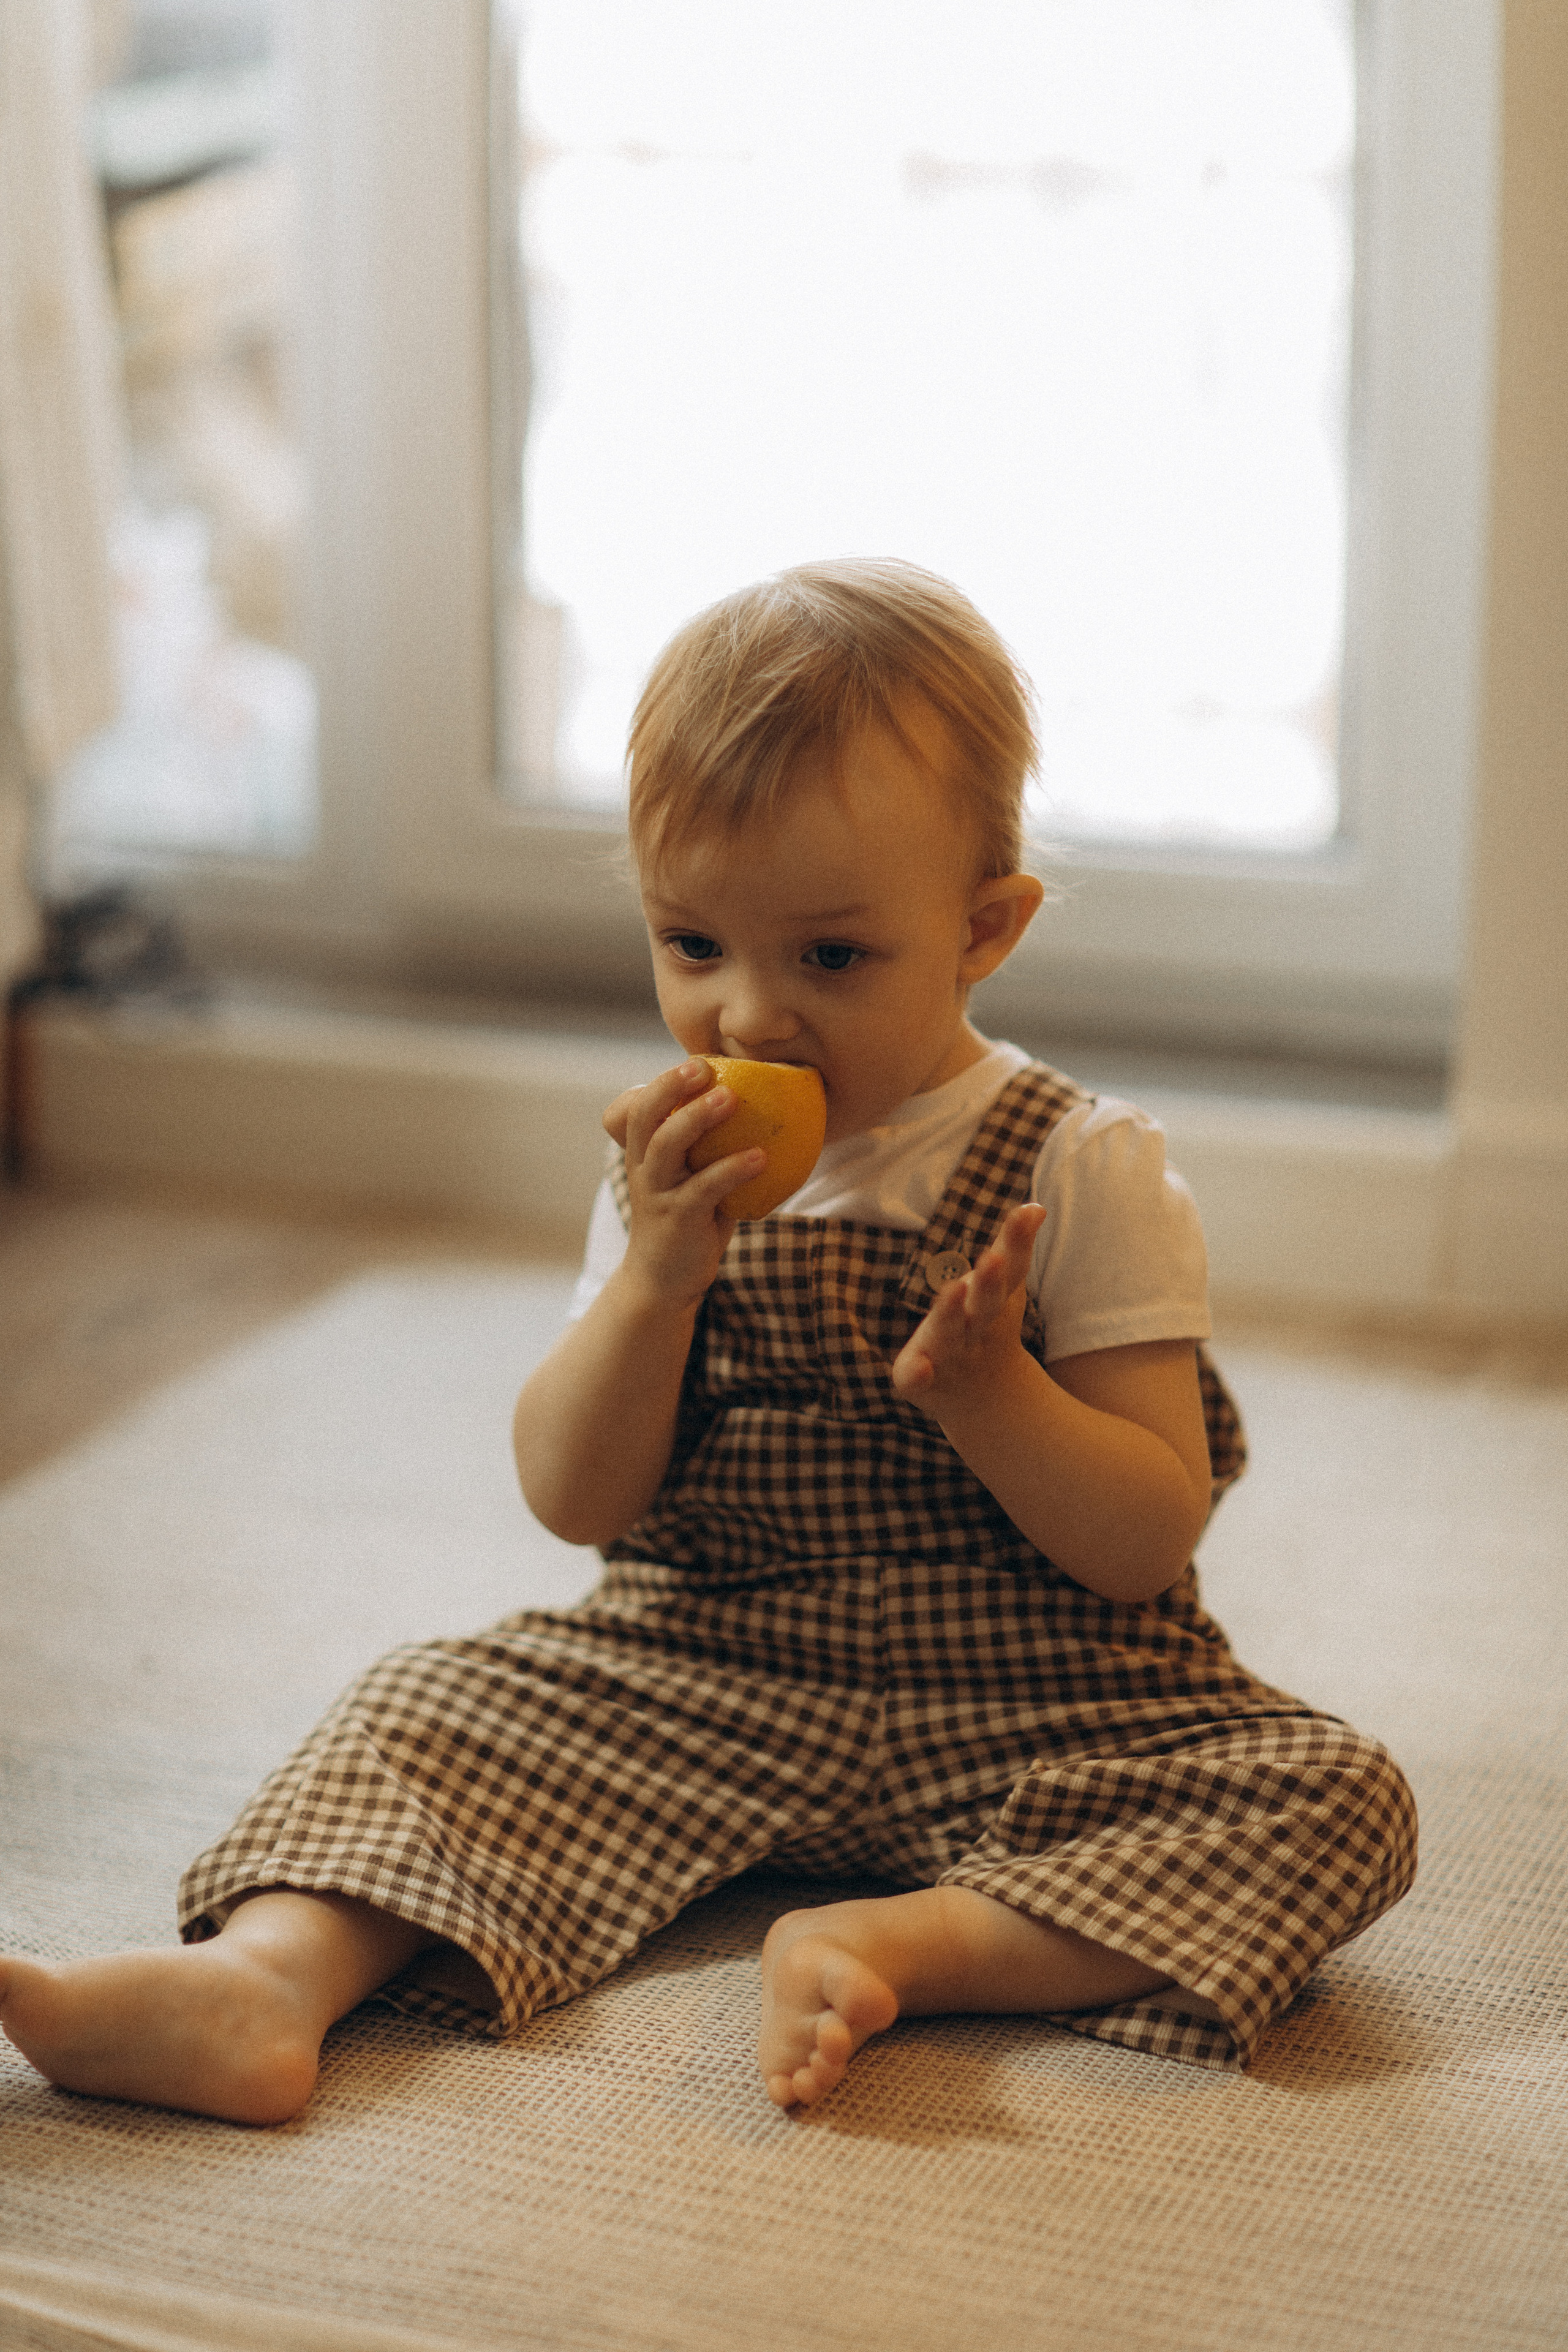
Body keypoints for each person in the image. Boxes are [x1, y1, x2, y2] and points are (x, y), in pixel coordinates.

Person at [0, 560, 1417, 2124]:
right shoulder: (670, 1168)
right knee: (425, 1709)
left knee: (1330, 1799)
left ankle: (914, 1943)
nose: (745, 1020)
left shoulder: (1081, 1164)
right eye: (690, 945)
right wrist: (654, 1282)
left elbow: (1142, 1539)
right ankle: (266, 1982)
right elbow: (576, 1497)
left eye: (827, 958)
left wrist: (992, 1391)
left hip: (1034, 1688)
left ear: (982, 930)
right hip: (703, 1663)